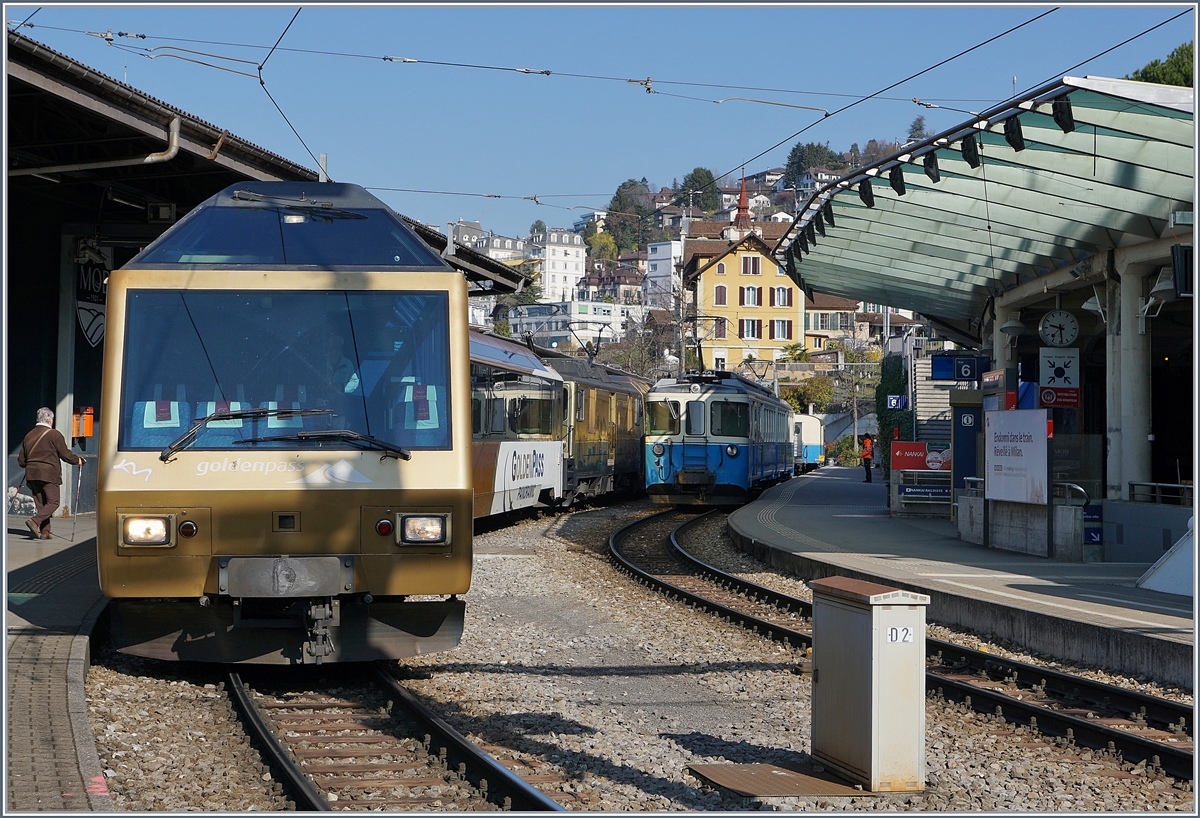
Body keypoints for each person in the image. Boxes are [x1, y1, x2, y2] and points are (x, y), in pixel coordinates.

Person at [17, 407, 85, 539]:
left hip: (32, 474)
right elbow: (65, 454)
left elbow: (21, 460)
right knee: (53, 502)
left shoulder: (28, 435)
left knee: (41, 504)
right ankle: (34, 521)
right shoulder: (54, 434)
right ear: (50, 420)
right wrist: (78, 460)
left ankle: (45, 531)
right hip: (48, 474)